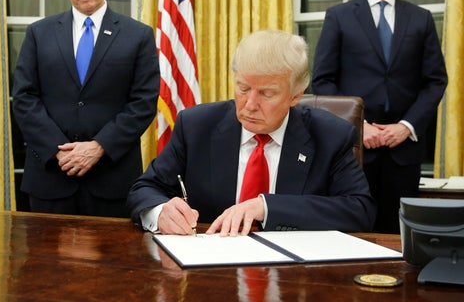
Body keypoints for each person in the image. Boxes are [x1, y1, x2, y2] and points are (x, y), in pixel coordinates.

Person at [127, 30, 376, 236]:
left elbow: (359, 210)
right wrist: (160, 212)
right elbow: (144, 188)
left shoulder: (331, 135)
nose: (250, 104)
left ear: (296, 96)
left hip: (293, 276)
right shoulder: (196, 126)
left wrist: (266, 207)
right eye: (243, 88)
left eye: (266, 93)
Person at [12, 0, 159, 217]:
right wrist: (61, 152)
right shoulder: (38, 33)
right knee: (45, 261)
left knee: (115, 261)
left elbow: (143, 103)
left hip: (111, 180)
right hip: (50, 178)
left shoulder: (138, 36)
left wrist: (98, 146)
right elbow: (24, 98)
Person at [312, 0, 448, 233]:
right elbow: (323, 81)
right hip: (354, 149)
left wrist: (406, 125)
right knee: (353, 229)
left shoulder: (421, 18)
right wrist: (360, 127)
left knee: (400, 232)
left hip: (404, 150)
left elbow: (435, 80)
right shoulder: (339, 16)